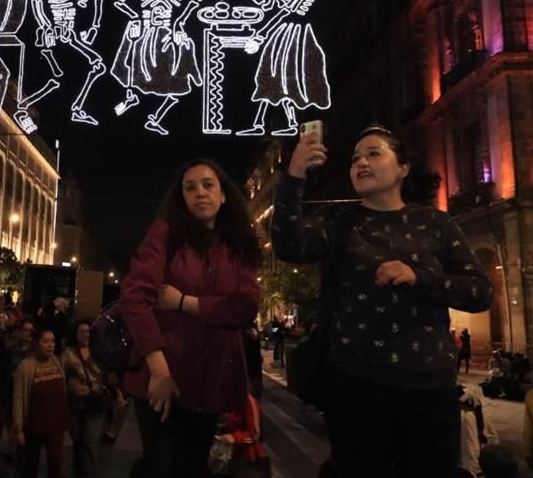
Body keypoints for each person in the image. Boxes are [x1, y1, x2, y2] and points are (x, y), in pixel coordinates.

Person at [273, 125, 494, 478]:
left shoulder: (436, 223)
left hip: (428, 390)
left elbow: (480, 291)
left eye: (373, 153)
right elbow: (288, 244)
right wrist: (294, 174)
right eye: (355, 158)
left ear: (403, 168)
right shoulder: (337, 221)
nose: (361, 162)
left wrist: (418, 277)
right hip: (355, 388)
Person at [121, 158, 261, 475]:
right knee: (163, 466)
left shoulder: (238, 245)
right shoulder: (166, 234)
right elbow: (134, 296)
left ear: (224, 195)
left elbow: (246, 306)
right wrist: (158, 371)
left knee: (193, 467)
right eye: (190, 187)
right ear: (181, 197)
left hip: (210, 384)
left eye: (208, 185)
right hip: (164, 378)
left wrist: (184, 302)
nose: (200, 192)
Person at [61, 319, 119, 477]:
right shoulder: (68, 353)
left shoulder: (99, 351)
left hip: (96, 402)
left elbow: (110, 374)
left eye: (88, 331)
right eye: (82, 331)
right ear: (76, 334)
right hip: (75, 403)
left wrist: (113, 390)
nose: (85, 335)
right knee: (78, 440)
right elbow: (60, 376)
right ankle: (78, 470)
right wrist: (71, 386)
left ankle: (90, 473)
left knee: (91, 441)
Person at [12, 327, 70, 478]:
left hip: (56, 424)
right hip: (34, 425)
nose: (51, 345)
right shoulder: (25, 367)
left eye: (52, 341)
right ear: (36, 344)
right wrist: (19, 428)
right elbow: (18, 398)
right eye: (45, 342)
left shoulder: (57, 362)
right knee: (30, 465)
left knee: (56, 464)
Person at [0, 317, 36, 470]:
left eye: (31, 331)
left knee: (17, 427)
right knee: (0, 427)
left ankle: (14, 454)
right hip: (8, 393)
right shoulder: (10, 350)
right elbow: (1, 373)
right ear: (19, 332)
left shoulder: (34, 351)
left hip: (25, 396)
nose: (28, 333)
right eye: (25, 330)